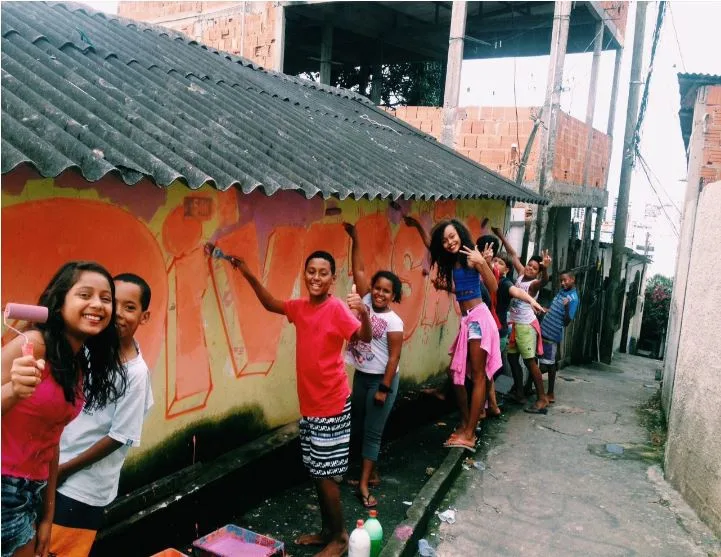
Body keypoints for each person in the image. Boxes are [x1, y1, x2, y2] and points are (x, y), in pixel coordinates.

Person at [215, 245, 372, 557]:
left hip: (332, 404)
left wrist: (364, 313)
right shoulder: (300, 307)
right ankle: (327, 531)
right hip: (311, 405)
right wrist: (247, 273)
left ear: (332, 277)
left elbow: (364, 337)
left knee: (326, 474)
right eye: (311, 272)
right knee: (316, 470)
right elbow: (271, 303)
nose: (315, 277)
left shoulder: (338, 308)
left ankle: (340, 538)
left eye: (322, 273)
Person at [1, 261, 125, 557]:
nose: (97, 304)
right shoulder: (32, 344)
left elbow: (51, 439)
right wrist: (13, 391)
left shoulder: (76, 363)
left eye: (106, 298)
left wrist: (47, 517)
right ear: (59, 304)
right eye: (85, 295)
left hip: (32, 490)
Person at [49, 273, 154, 556]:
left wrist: (64, 471)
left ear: (144, 317)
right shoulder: (88, 349)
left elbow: (119, 436)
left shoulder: (135, 373)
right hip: (54, 470)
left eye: (130, 307)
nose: (118, 313)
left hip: (82, 487)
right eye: (113, 302)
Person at [404, 216, 501, 451]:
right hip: (468, 321)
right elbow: (432, 244)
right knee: (455, 372)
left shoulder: (470, 257)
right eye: (445, 239)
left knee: (477, 376)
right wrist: (418, 224)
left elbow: (494, 287)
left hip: (478, 319)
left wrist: (482, 263)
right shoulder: (451, 258)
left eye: (452, 237)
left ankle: (469, 433)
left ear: (460, 235)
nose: (449, 242)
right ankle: (466, 422)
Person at [342, 223, 404, 509]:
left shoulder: (394, 322)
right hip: (362, 376)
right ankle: (373, 473)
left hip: (382, 379)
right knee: (361, 425)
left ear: (394, 296)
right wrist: (355, 237)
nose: (379, 294)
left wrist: (384, 388)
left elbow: (394, 358)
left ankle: (365, 484)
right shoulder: (365, 300)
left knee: (373, 432)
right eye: (377, 289)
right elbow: (359, 269)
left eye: (386, 291)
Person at [492, 226, 552, 413]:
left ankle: (542, 398)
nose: (530, 268)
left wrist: (545, 270)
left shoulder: (533, 284)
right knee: (511, 358)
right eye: (529, 265)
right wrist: (500, 234)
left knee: (529, 361)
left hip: (526, 325)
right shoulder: (520, 275)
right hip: (515, 325)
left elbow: (544, 281)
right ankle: (519, 392)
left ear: (537, 272)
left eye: (535, 268)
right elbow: (513, 255)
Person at [536, 270, 579, 403]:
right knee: (544, 362)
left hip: (552, 335)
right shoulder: (562, 291)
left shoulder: (573, 298)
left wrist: (566, 308)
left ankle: (550, 393)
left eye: (565, 280)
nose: (562, 283)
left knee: (550, 364)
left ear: (573, 279)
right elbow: (555, 309)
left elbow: (566, 322)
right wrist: (544, 310)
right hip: (544, 331)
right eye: (561, 280)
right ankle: (537, 389)